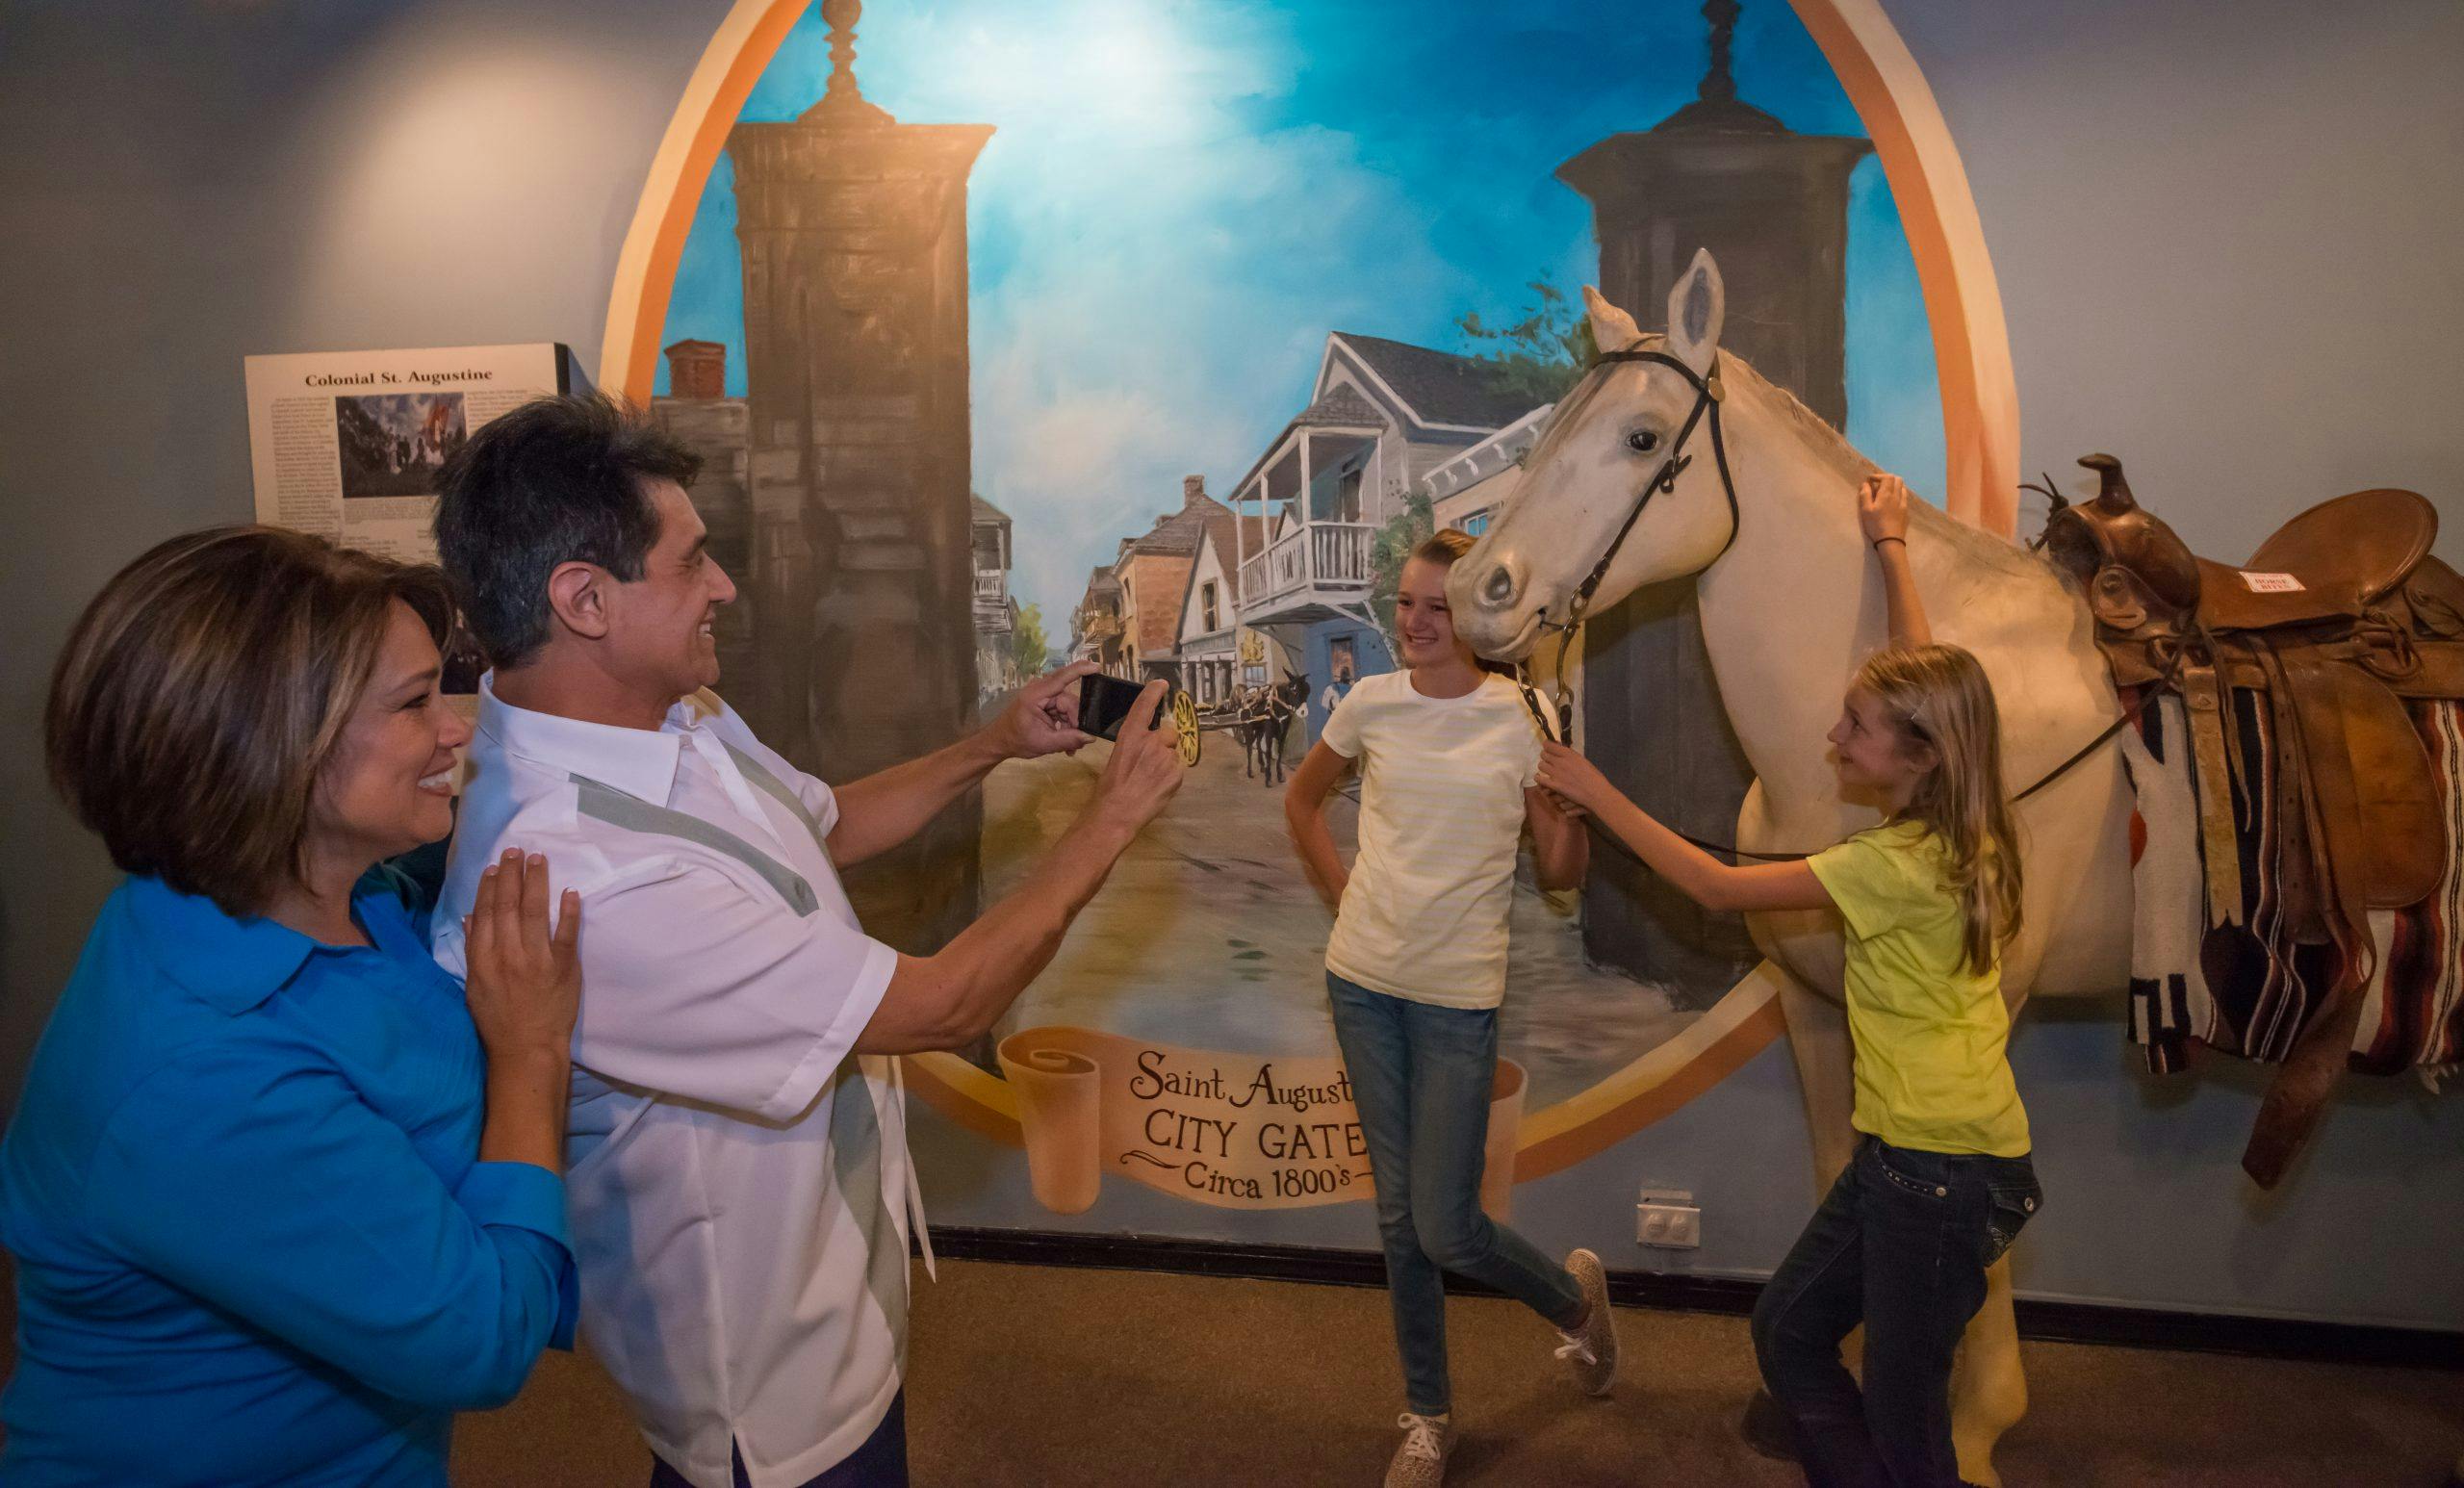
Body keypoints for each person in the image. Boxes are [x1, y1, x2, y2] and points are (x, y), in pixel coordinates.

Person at [426, 394, 1183, 1488]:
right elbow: (944, 1004)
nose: (724, 587)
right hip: (770, 1395)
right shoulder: (586, 872)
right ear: (585, 601)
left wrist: (992, 746)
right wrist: (1109, 819)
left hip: (825, 1298)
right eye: (692, 565)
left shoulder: (670, 713)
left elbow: (822, 816)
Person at [0, 526, 581, 1486]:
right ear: (270, 750)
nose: (455, 728)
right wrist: (531, 1054)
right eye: (412, 704)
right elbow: (482, 1339)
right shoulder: (207, 1076)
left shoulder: (323, 885)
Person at [1534, 474, 2042, 1488]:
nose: (1832, 738)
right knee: (1791, 1331)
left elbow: (1717, 887)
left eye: (1851, 728)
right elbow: (1923, 684)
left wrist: (1595, 791)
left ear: (1912, 756)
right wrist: (1889, 548)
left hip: (1934, 1174)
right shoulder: (1973, 818)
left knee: (1907, 1419)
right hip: (1919, 1158)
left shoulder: (1888, 866)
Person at [1284, 528, 1615, 1488]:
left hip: (1457, 998)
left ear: (1472, 615)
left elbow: (1559, 873)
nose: (1417, 623)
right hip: (1362, 984)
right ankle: (1427, 1414)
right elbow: (1302, 805)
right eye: (1404, 604)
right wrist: (1345, 895)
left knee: (1448, 1226)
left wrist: (1570, 814)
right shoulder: (1369, 705)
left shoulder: (1520, 715)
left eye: (1438, 607)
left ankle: (1573, 1305)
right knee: (1399, 1222)